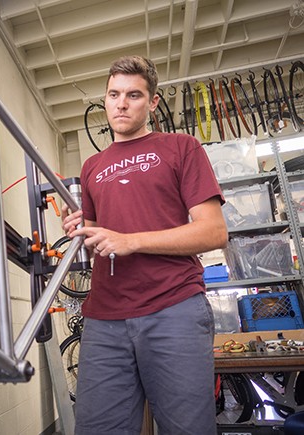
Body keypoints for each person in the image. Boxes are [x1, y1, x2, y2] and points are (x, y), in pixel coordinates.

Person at [62, 56, 228, 434]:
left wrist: (130, 241)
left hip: (173, 309)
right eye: (114, 94)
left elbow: (213, 232)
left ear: (152, 103)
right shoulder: (92, 166)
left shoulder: (181, 148)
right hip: (104, 318)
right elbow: (94, 244)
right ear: (105, 100)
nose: (121, 103)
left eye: (133, 95)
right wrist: (81, 232)